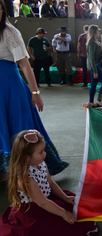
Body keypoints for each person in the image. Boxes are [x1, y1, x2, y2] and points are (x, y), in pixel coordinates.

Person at [0, 0, 68, 182]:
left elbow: (24, 64)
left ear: (3, 11)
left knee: (18, 126)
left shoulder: (9, 32)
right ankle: (4, 171)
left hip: (10, 87)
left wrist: (35, 92)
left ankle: (21, 170)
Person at [0, 130, 97, 235]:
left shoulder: (41, 163)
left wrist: (65, 197)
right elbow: (42, 202)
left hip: (47, 199)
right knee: (57, 226)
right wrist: (64, 213)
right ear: (26, 157)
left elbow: (50, 183)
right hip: (35, 209)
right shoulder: (26, 179)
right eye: (41, 152)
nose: (45, 153)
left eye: (44, 150)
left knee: (76, 206)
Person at [85, 25, 102, 107]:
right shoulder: (91, 42)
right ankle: (98, 100)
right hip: (94, 65)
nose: (99, 32)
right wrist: (95, 70)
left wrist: (100, 49)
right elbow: (91, 57)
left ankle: (91, 102)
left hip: (96, 64)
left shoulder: (95, 41)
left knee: (93, 84)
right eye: (98, 31)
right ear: (94, 32)